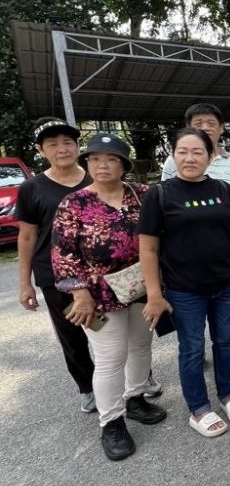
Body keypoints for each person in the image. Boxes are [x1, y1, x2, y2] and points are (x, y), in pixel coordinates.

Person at [52, 133, 166, 461]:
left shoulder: (143, 195)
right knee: (110, 357)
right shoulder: (74, 204)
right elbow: (63, 256)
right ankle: (111, 422)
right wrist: (80, 294)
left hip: (141, 285)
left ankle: (136, 399)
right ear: (86, 163)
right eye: (95, 158)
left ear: (123, 164)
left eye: (111, 159)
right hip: (98, 293)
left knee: (141, 345)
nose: (102, 165)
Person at [141, 128, 230, 437]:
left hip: (225, 284)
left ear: (210, 155)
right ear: (173, 155)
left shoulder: (223, 190)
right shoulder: (159, 194)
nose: (190, 158)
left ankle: (228, 394)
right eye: (183, 152)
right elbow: (148, 248)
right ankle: (198, 408)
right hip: (183, 289)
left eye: (197, 152)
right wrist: (153, 293)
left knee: (225, 342)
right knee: (191, 348)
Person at [161, 103, 230, 366]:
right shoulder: (173, 161)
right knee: (191, 306)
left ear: (222, 129)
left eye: (211, 123)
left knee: (228, 302)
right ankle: (195, 349)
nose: (205, 127)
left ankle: (226, 345)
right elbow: (165, 201)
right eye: (198, 123)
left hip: (226, 247)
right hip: (185, 253)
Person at [16, 118, 96, 413]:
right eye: (53, 144)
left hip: (101, 273)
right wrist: (25, 283)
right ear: (41, 150)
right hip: (56, 277)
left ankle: (138, 380)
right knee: (72, 334)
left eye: (67, 142)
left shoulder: (95, 177)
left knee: (117, 330)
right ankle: (88, 387)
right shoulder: (32, 188)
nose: (62, 148)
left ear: (76, 145)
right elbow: (27, 236)